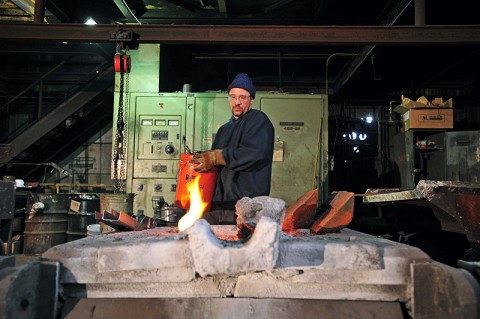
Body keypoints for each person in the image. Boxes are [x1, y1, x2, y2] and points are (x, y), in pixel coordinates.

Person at [190, 73, 274, 223]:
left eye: (242, 97)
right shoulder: (224, 129)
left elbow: (254, 154)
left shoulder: (259, 121)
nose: (237, 102)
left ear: (251, 100)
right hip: (219, 206)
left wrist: (219, 157)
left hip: (246, 209)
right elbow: (214, 168)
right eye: (233, 97)